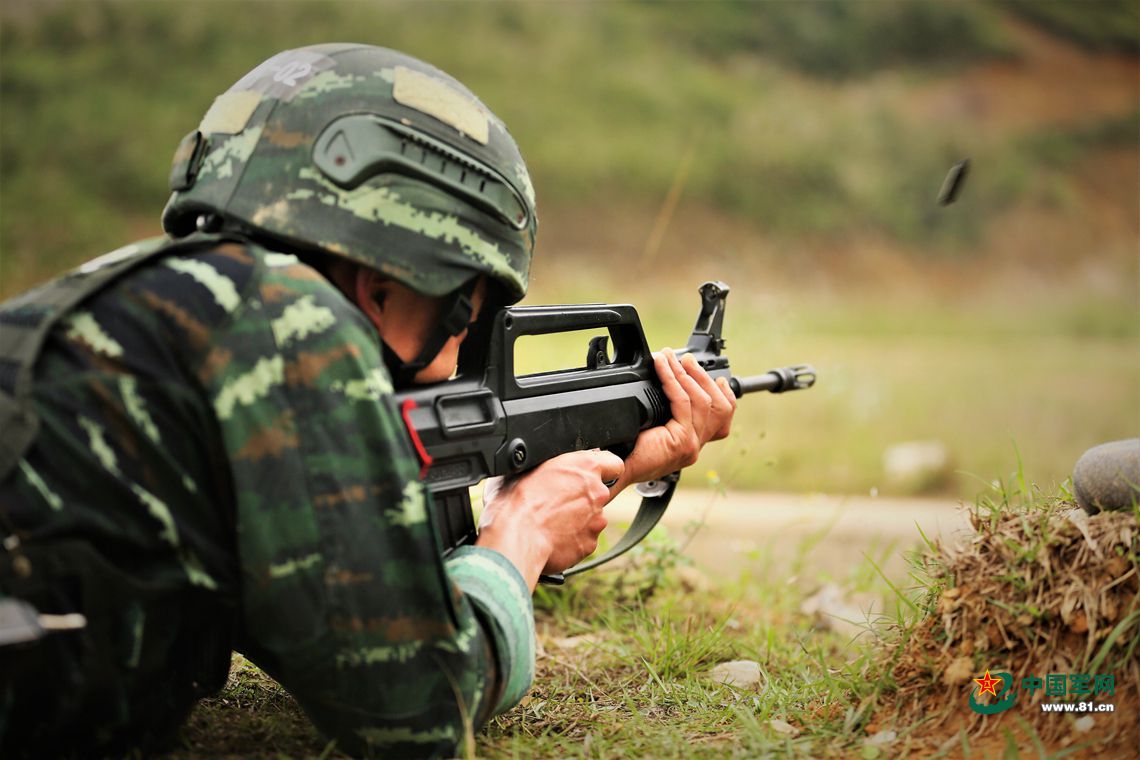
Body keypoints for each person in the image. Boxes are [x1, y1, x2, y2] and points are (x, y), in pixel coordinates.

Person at [0, 44, 736, 758]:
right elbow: (417, 713)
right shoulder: (292, 321)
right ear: (390, 278)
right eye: (463, 314)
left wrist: (614, 461)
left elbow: (327, 627)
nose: (455, 359)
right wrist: (522, 532)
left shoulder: (147, 301)